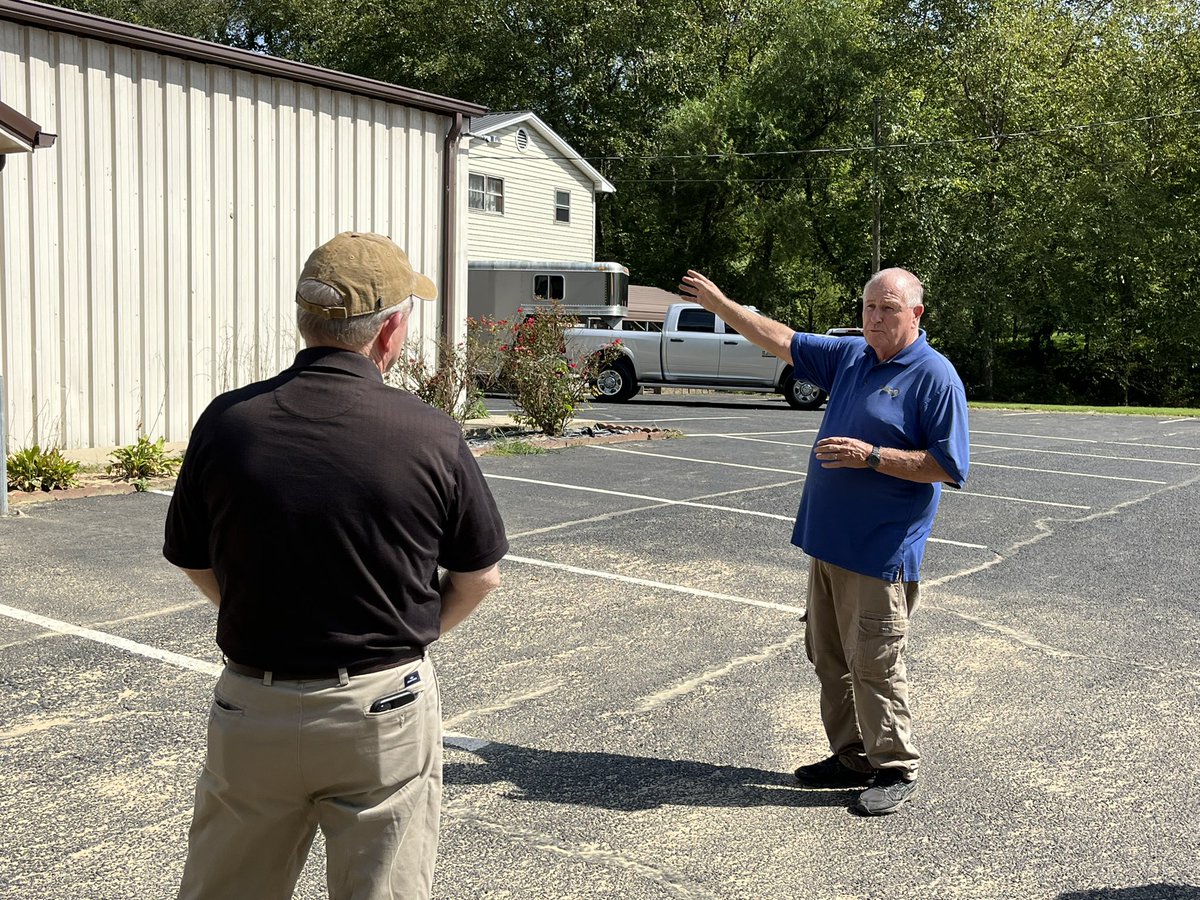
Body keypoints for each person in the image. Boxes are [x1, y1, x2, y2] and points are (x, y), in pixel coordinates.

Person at [164, 232, 509, 897]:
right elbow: (479, 575)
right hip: (382, 707)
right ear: (390, 332)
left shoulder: (227, 423)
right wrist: (410, 631)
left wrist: (257, 610)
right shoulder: (429, 432)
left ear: (306, 319)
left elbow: (193, 557)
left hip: (253, 705)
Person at [678, 267, 969, 816]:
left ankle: (895, 765)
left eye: (888, 308)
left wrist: (872, 456)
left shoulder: (934, 376)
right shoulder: (851, 356)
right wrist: (720, 305)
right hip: (828, 545)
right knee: (829, 658)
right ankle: (852, 755)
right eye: (869, 307)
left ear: (916, 314)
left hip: (879, 552)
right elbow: (780, 338)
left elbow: (948, 465)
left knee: (875, 662)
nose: (875, 318)